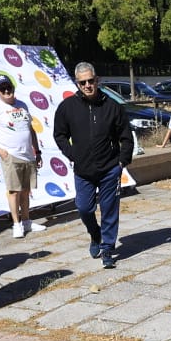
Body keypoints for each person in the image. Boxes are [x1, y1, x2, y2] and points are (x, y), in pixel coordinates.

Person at [52, 63, 134, 269]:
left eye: (91, 81)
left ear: (97, 80)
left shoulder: (112, 107)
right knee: (84, 208)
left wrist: (122, 161)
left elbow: (126, 136)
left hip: (109, 168)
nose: (88, 85)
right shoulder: (67, 107)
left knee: (109, 209)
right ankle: (95, 234)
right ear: (77, 84)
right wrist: (72, 155)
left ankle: (107, 249)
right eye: (83, 82)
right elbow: (60, 135)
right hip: (83, 171)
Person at [0, 75, 45, 239]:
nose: (7, 90)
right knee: (14, 191)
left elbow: (30, 129)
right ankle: (16, 224)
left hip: (28, 155)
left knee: (25, 191)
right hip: (11, 155)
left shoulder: (22, 105)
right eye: (2, 88)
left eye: (9, 87)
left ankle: (26, 221)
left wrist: (37, 151)